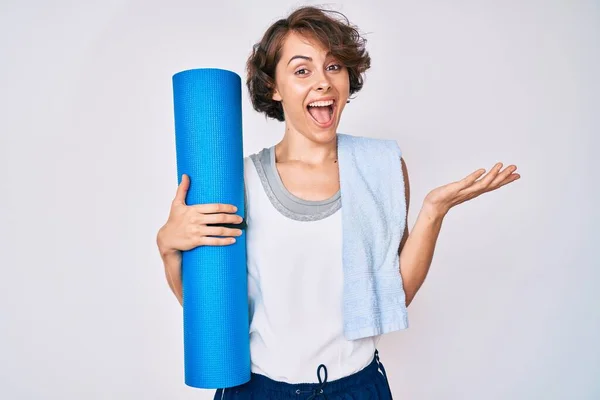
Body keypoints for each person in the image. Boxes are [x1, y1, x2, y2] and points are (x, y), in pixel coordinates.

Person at [156, 6, 520, 399]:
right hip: (260, 390)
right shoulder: (236, 182)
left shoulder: (382, 169)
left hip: (357, 387)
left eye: (333, 67)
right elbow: (209, 311)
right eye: (301, 70)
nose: (323, 83)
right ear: (274, 87)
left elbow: (395, 296)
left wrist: (433, 211)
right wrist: (168, 248)